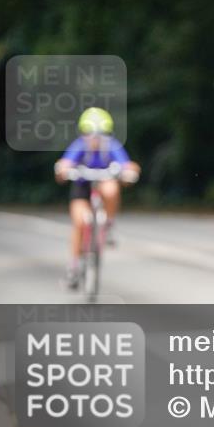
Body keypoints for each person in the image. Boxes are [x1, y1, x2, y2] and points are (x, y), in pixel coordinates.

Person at [54, 107, 140, 290]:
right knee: (79, 222)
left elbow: (127, 165)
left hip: (102, 183)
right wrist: (62, 169)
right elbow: (65, 163)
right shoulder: (79, 146)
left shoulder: (112, 146)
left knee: (110, 188)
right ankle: (74, 266)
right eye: (89, 133)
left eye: (100, 134)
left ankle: (108, 224)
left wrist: (129, 171)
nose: (94, 138)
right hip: (81, 187)